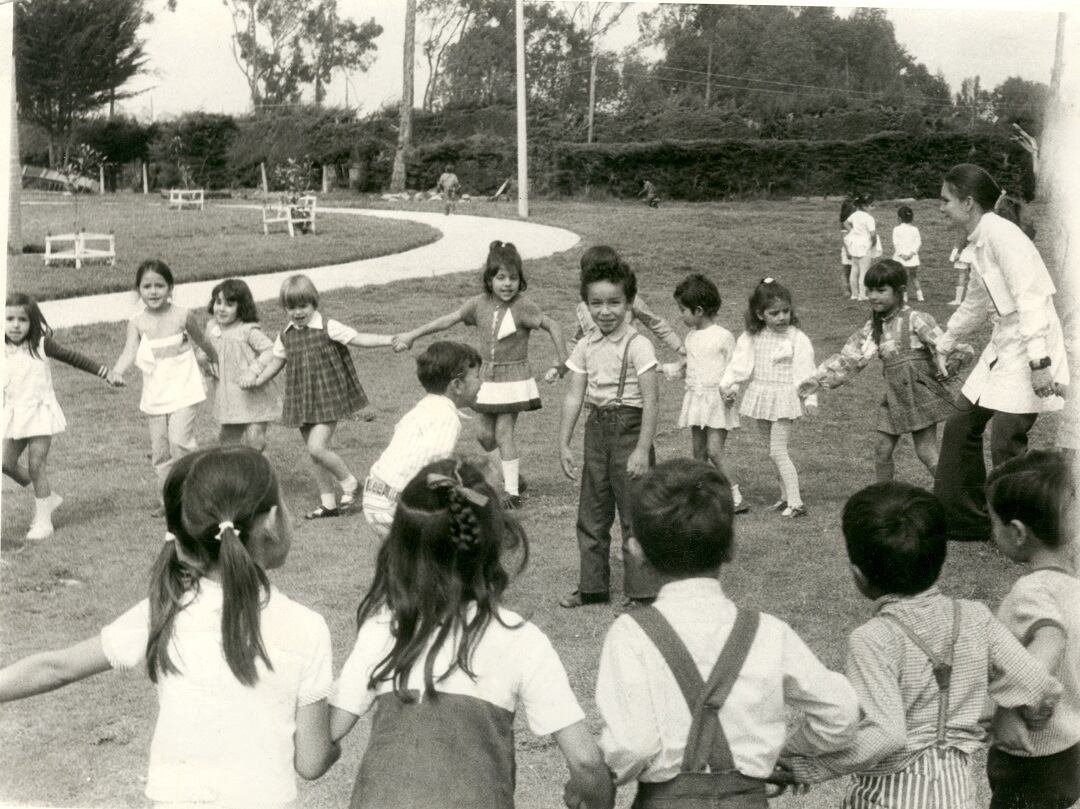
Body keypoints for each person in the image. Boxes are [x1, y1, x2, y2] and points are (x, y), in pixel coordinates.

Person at [0, 446, 340, 807]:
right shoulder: (306, 628)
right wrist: (351, 707)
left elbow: (56, 668)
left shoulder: (165, 609)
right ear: (272, 521)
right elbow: (311, 760)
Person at [330, 459, 614, 809]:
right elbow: (585, 761)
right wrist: (596, 797)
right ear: (492, 543)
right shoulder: (520, 639)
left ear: (400, 549)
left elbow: (328, 733)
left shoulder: (384, 630)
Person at [593, 458, 860, 808]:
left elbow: (634, 745)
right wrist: (778, 751)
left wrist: (599, 779)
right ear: (732, 547)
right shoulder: (769, 632)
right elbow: (840, 712)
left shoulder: (631, 634)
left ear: (636, 551)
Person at [779, 481, 1063, 808]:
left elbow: (886, 736)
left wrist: (810, 766)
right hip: (956, 794)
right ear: (941, 562)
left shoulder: (873, 639)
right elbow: (1039, 686)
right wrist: (1011, 714)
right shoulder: (976, 618)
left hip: (889, 798)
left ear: (858, 575)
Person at [933, 163, 1069, 543]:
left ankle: (1026, 531)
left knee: (1006, 440)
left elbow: (1032, 302)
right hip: (1002, 345)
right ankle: (968, 522)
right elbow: (976, 304)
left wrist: (1040, 364)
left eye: (945, 200)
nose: (941, 207)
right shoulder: (978, 241)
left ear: (968, 202)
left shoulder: (1004, 237)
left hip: (1032, 344)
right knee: (960, 425)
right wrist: (944, 342)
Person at [393, 241, 567, 507]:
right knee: (484, 434)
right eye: (500, 278)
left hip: (513, 379)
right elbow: (447, 320)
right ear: (489, 279)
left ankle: (512, 492)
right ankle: (515, 478)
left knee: (504, 434)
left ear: (520, 280)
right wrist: (412, 334)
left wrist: (561, 359)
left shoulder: (524, 306)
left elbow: (552, 325)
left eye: (513, 278)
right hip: (486, 380)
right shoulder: (478, 304)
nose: (507, 284)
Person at [799, 260, 972, 483]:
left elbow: (946, 346)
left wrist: (948, 365)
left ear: (900, 291)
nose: (873, 296)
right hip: (894, 397)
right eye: (870, 290)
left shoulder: (916, 319)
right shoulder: (873, 327)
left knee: (926, 452)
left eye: (881, 290)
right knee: (881, 449)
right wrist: (817, 380)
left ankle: (953, 496)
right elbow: (850, 357)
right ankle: (884, 498)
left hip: (919, 394)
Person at [244, 274, 395, 519]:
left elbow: (358, 338)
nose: (297, 312)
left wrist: (389, 340)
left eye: (303, 306)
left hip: (327, 396)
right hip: (301, 398)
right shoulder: (286, 334)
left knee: (317, 448)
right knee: (314, 454)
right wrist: (259, 379)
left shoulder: (328, 326)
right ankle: (328, 504)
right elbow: (276, 361)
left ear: (314, 303)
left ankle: (351, 485)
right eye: (291, 307)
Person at [558, 252, 660, 609]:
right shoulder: (586, 345)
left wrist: (641, 450)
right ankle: (592, 588)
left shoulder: (638, 344)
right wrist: (564, 443)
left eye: (614, 303)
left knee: (634, 515)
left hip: (630, 430)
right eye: (596, 303)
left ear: (629, 303)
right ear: (586, 304)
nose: (605, 311)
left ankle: (643, 591)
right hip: (595, 430)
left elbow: (651, 402)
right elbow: (574, 395)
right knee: (592, 514)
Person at [985, 451, 1080, 809]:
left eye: (992, 522)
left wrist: (1009, 707)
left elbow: (1050, 639)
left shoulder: (1032, 593)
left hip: (1031, 754)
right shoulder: (1073, 586)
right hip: (1070, 746)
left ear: (1017, 532)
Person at [4, 293, 120, 539]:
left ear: (33, 322)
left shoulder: (42, 344)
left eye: (22, 320)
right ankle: (48, 497)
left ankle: (44, 522)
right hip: (14, 414)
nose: (15, 325)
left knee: (37, 465)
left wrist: (104, 372)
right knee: (5, 464)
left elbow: (73, 358)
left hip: (40, 413)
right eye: (9, 319)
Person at [110, 259, 219, 516]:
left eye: (159, 285)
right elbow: (130, 350)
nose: (153, 291)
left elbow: (202, 340)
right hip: (156, 394)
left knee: (180, 442)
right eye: (147, 286)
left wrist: (215, 359)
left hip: (185, 388)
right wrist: (117, 370)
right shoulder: (137, 321)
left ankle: (194, 496)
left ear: (170, 288)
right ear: (139, 291)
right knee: (160, 452)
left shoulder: (182, 315)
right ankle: (168, 502)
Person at [362, 341, 482, 537]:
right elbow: (433, 473)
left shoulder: (425, 407)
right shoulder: (446, 418)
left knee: (409, 559)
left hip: (375, 496)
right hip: (395, 505)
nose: (481, 383)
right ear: (457, 386)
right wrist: (476, 498)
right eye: (477, 377)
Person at [719, 278, 816, 518]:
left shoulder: (797, 337)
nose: (782, 317)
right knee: (769, 450)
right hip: (763, 395)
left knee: (778, 451)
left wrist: (811, 399)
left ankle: (796, 502)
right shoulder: (752, 336)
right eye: (775, 313)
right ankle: (784, 496)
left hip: (784, 397)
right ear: (760, 314)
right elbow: (739, 365)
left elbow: (807, 370)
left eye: (785, 311)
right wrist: (728, 384)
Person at [668, 272, 748, 513]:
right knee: (698, 452)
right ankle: (698, 496)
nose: (680, 315)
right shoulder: (691, 337)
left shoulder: (723, 336)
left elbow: (735, 368)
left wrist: (731, 390)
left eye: (683, 310)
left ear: (699, 310)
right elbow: (689, 368)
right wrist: (668, 369)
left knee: (715, 450)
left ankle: (735, 496)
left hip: (717, 400)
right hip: (696, 399)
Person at [550, 246, 685, 382]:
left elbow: (654, 322)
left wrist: (679, 348)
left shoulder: (628, 299)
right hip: (598, 371)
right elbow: (578, 340)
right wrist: (560, 366)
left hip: (629, 366)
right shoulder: (584, 306)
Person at [203, 279, 281, 451]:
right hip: (229, 397)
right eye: (218, 302)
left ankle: (259, 473)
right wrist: (205, 361)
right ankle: (235, 474)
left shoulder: (248, 330)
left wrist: (253, 371)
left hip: (252, 395)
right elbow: (206, 349)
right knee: (227, 441)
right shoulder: (212, 327)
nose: (221, 308)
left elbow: (271, 350)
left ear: (242, 306)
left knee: (254, 440)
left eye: (229, 304)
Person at [844, 194, 877, 301]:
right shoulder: (869, 218)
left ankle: (854, 294)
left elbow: (845, 223)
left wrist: (852, 232)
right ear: (864, 206)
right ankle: (862, 295)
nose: (873, 208)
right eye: (871, 205)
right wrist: (873, 242)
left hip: (854, 244)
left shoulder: (855, 214)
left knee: (854, 269)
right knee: (864, 270)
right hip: (864, 244)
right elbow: (872, 234)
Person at [891, 206, 923, 302]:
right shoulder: (915, 229)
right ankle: (920, 296)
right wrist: (911, 253)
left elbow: (895, 243)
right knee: (914, 276)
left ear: (899, 218)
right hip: (913, 258)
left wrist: (902, 255)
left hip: (901, 258)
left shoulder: (896, 229)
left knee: (902, 277)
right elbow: (918, 242)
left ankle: (904, 296)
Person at [947, 234, 974, 307]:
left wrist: (958, 253)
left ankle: (958, 300)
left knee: (961, 275)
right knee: (974, 276)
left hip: (964, 252)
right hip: (975, 252)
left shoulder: (965, 227)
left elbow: (962, 239)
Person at [839, 198, 856, 298]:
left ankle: (853, 288)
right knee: (846, 270)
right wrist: (847, 251)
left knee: (854, 269)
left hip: (856, 248)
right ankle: (846, 289)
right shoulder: (844, 223)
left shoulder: (855, 221)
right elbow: (844, 239)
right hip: (848, 249)